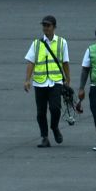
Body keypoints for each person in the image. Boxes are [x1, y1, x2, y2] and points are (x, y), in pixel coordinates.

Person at [23, 15, 70, 147]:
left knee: (55, 108)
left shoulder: (62, 42)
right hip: (40, 82)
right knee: (41, 112)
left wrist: (68, 79)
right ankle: (44, 137)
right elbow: (31, 62)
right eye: (44, 25)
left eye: (48, 25)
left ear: (54, 27)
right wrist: (27, 80)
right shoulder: (36, 44)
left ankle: (54, 127)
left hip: (55, 81)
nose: (45, 28)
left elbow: (65, 62)